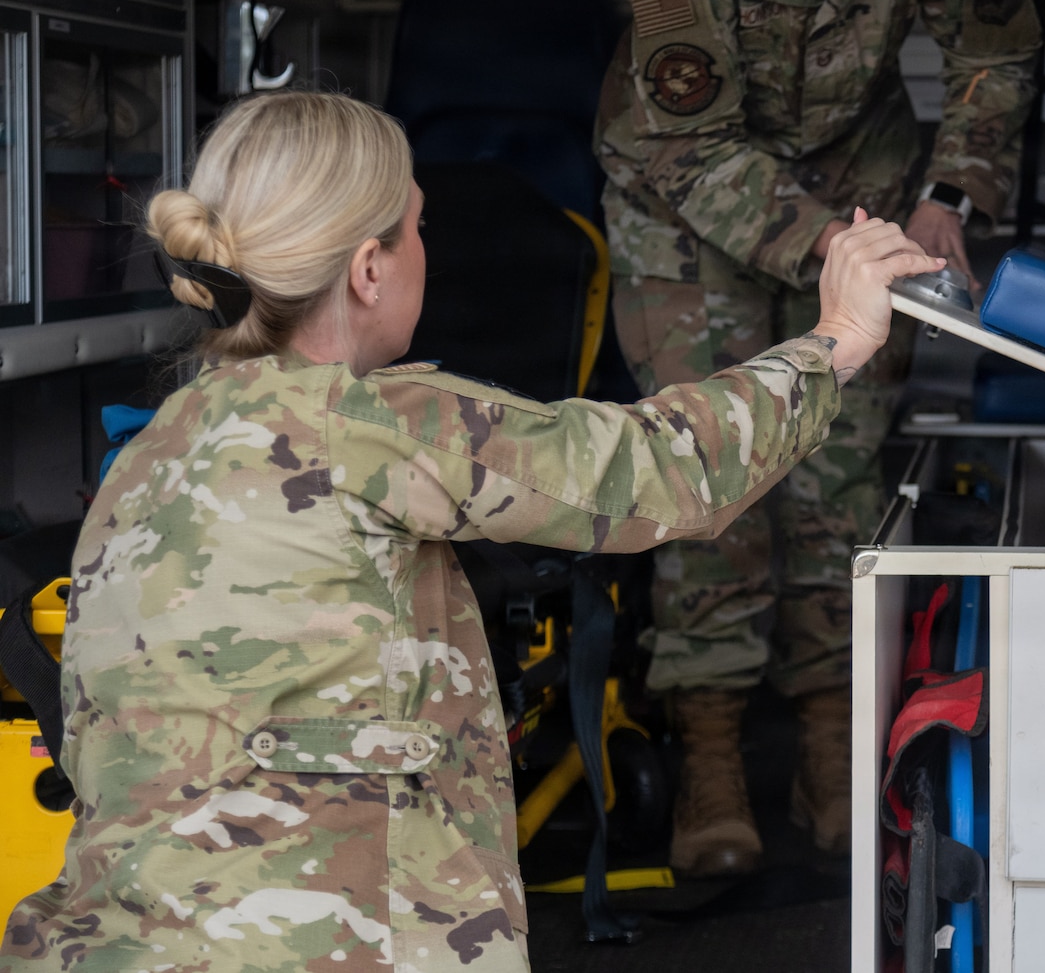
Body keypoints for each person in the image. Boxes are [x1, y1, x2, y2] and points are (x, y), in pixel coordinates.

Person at [0, 90, 941, 972]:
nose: (424, 249)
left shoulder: (149, 447)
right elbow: (661, 471)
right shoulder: (373, 420)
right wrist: (838, 340)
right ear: (370, 268)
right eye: (418, 228)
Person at [594, 0, 1040, 874]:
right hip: (685, 212)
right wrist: (842, 258)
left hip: (863, 185)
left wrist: (948, 198)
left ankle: (833, 756)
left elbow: (996, 43)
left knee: (839, 480)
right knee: (710, 479)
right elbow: (689, 144)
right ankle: (711, 760)